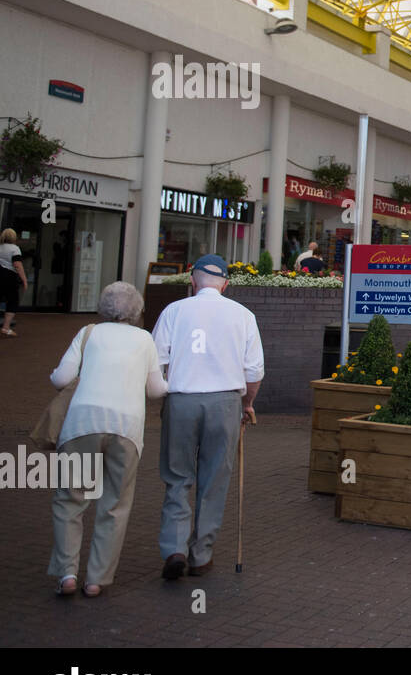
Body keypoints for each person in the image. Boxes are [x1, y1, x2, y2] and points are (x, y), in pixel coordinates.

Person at [48, 282, 168, 597]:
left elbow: (61, 378)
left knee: (70, 499)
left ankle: (67, 574)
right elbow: (155, 391)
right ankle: (96, 579)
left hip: (82, 423)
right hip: (126, 427)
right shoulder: (145, 339)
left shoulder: (89, 333)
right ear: (137, 309)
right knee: (115, 503)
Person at [152, 254, 264, 579]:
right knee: (214, 479)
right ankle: (200, 555)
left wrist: (166, 392)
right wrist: (247, 404)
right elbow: (254, 370)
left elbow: (157, 361)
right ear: (226, 284)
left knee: (177, 476)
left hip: (181, 399)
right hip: (226, 401)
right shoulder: (243, 315)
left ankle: (174, 547)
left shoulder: (174, 311)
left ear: (192, 280)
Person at [0, 228, 27, 337]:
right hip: (9, 277)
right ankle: (6, 328)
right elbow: (17, 265)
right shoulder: (15, 249)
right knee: (12, 301)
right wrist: (24, 280)